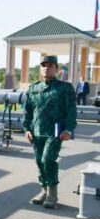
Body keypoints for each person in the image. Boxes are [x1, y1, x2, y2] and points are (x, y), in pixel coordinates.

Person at [24, 56, 77, 209]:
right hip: (37, 131)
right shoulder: (33, 88)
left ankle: (52, 193)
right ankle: (44, 190)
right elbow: (27, 111)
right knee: (39, 161)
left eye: (50, 65)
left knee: (48, 159)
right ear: (40, 68)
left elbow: (71, 110)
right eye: (44, 65)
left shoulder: (65, 88)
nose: (46, 68)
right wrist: (27, 129)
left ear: (56, 69)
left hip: (55, 132)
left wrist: (69, 129)